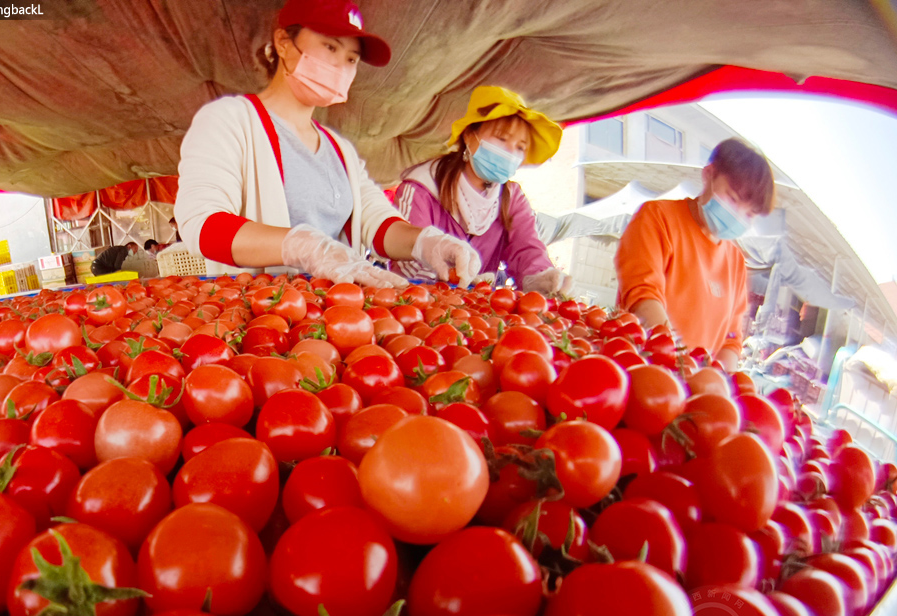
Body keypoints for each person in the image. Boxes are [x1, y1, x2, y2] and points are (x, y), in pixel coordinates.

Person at [174, 0, 481, 288]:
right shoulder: (230, 120)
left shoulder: (340, 149)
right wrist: (301, 245)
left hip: (338, 322)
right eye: (330, 46)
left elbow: (376, 222)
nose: (340, 66)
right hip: (262, 321)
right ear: (283, 42)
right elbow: (203, 225)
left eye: (351, 59)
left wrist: (425, 242)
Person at [615, 138, 775, 370]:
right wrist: (678, 364)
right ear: (708, 175)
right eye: (732, 199)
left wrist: (717, 385)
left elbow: (731, 341)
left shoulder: (737, 262)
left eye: (749, 214)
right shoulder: (658, 217)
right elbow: (642, 296)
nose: (738, 216)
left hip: (694, 392)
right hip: (641, 370)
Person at [393, 86, 571, 293]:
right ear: (469, 136)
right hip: (419, 304)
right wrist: (453, 279)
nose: (509, 152)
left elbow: (527, 248)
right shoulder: (421, 187)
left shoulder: (512, 198)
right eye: (501, 138)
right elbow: (405, 256)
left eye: (520, 147)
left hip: (479, 313)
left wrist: (540, 276)